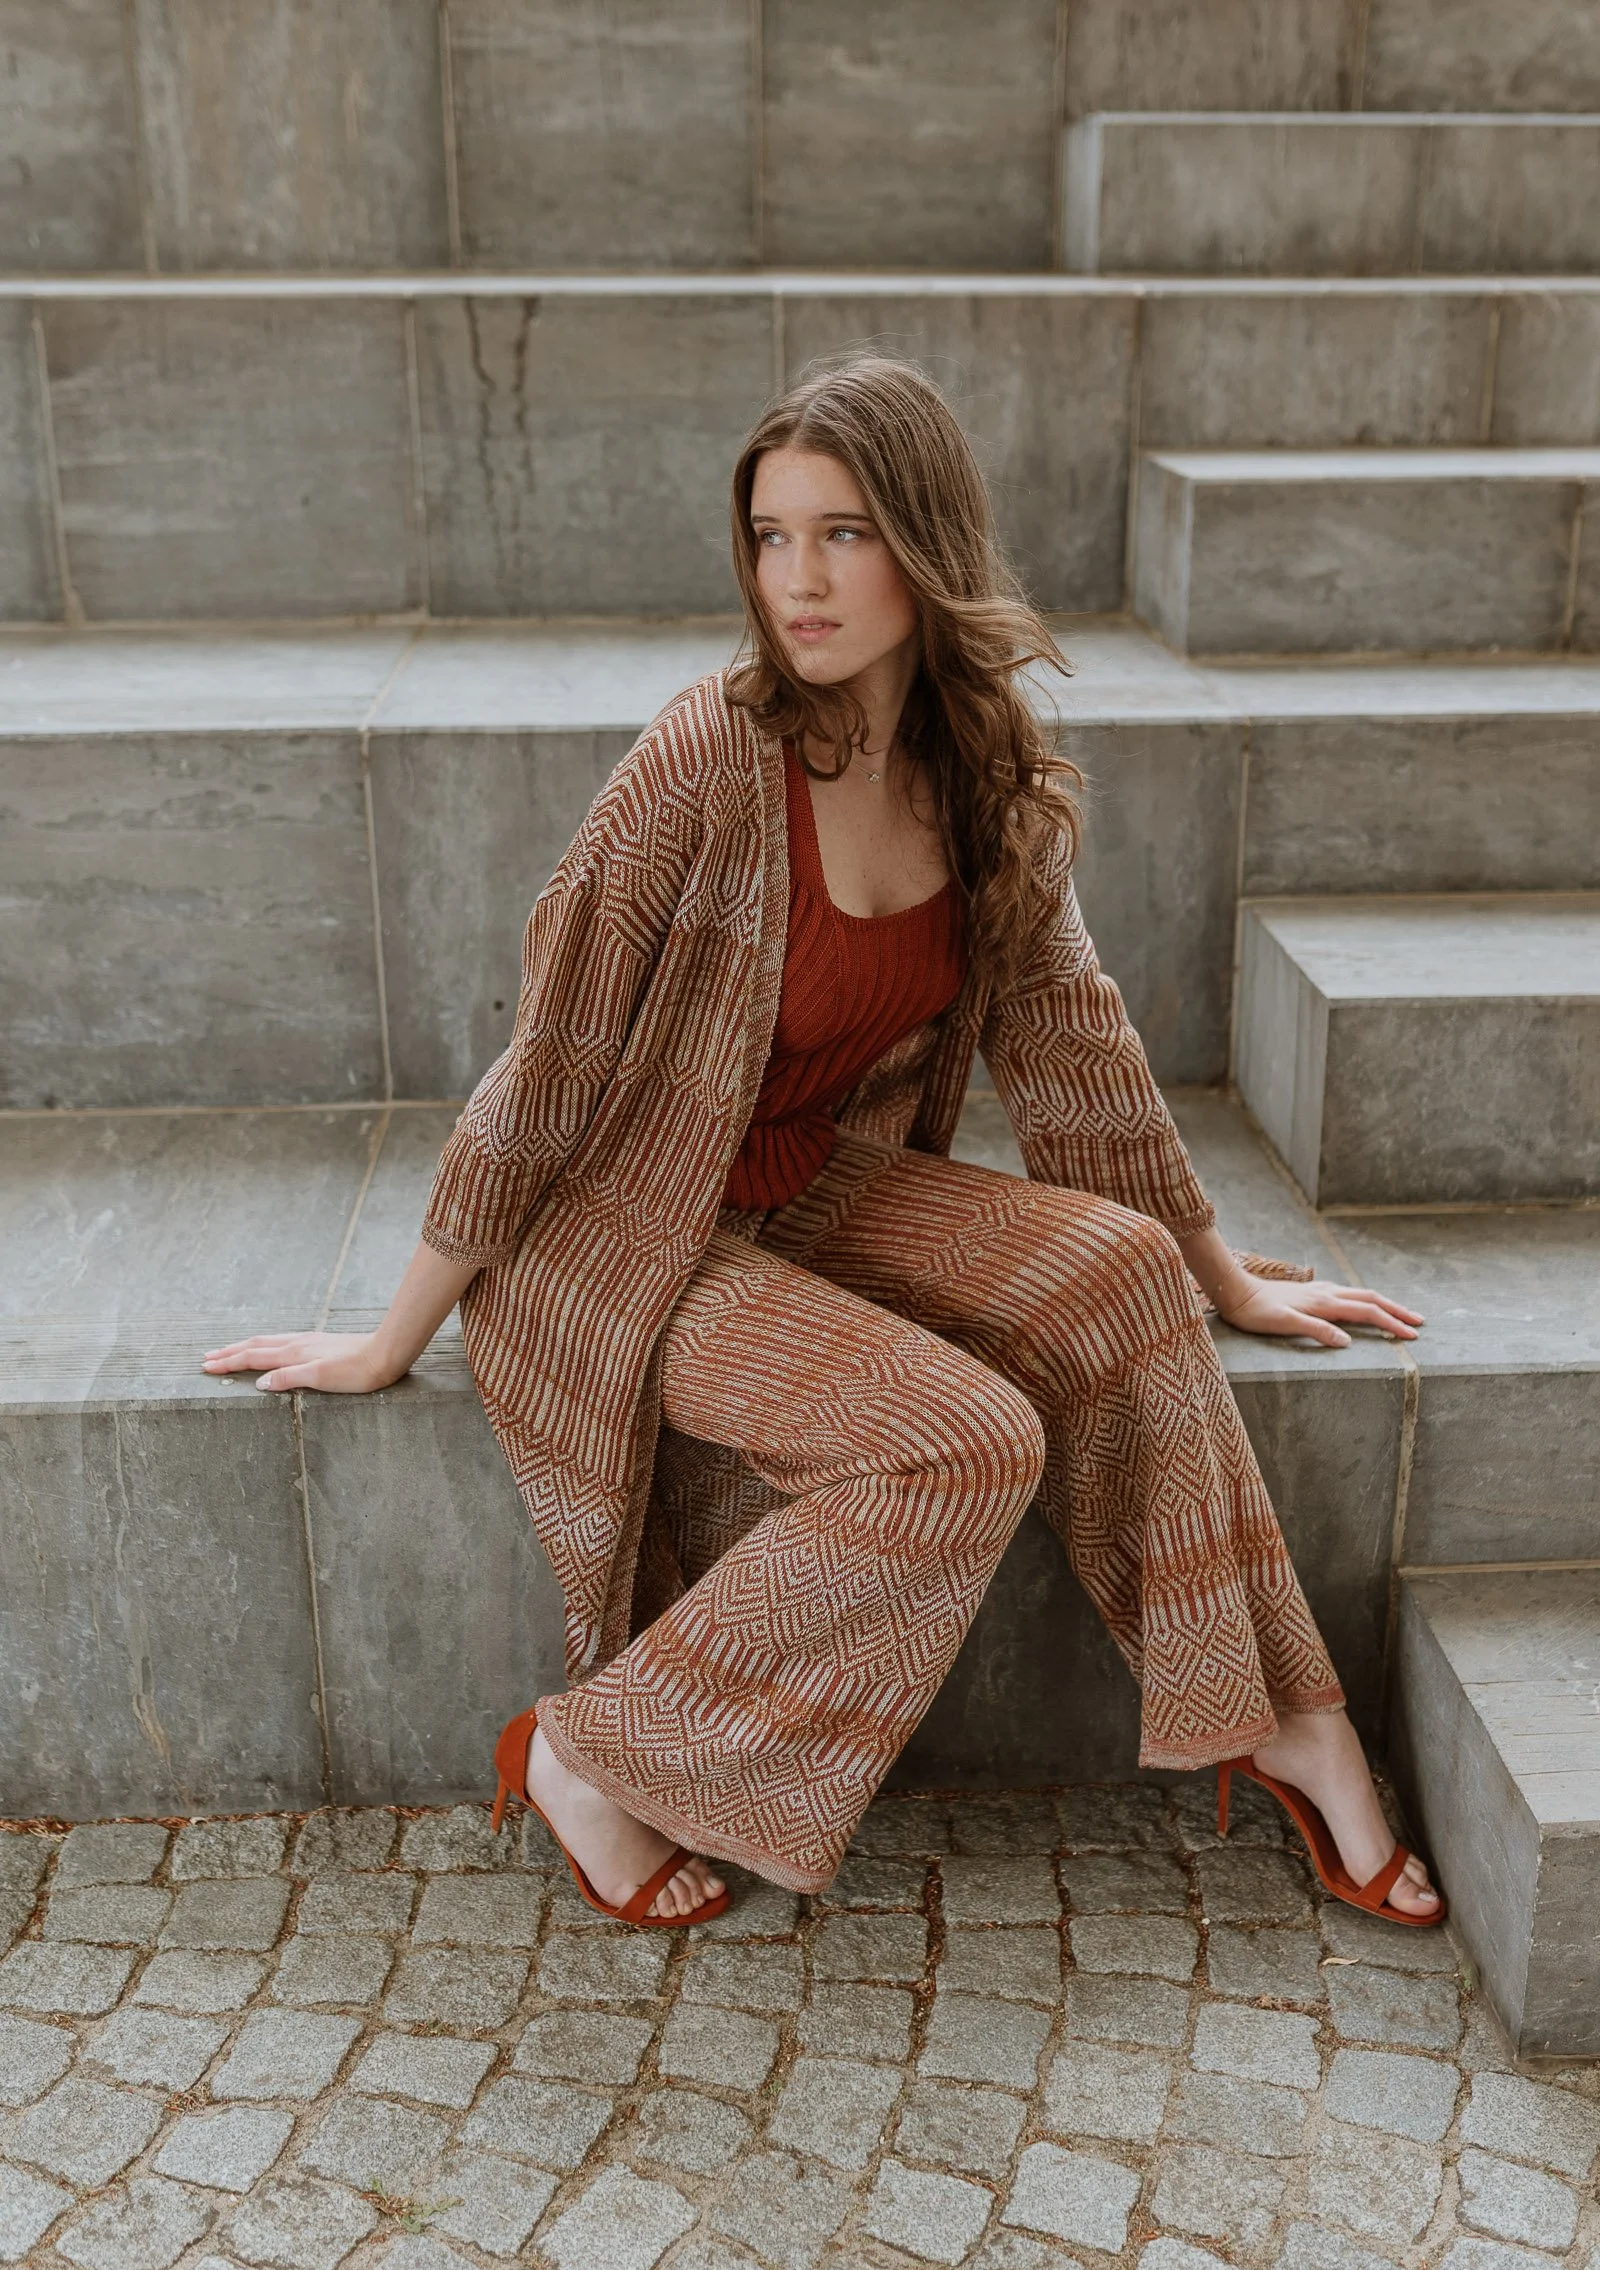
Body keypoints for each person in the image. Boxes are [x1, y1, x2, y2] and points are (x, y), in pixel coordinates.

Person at [205, 358, 1441, 1931]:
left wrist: (1223, 1275)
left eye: (842, 533)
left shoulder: (984, 773)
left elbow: (1076, 1045)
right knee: (964, 1439)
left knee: (1125, 1273)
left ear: (925, 543)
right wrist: (397, 1337)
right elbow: (552, 1067)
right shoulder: (699, 765)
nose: (798, 578)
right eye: (771, 534)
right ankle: (598, 1758)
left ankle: (1288, 1715)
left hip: (807, 1185)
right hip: (617, 1232)